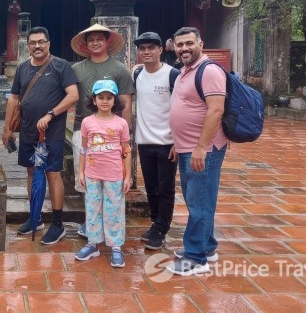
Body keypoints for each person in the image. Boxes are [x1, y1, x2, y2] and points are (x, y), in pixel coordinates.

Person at [2, 26, 78, 245]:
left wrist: (51, 113)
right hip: (28, 130)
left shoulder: (61, 66)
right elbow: (14, 98)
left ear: (48, 44)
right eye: (33, 43)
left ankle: (57, 223)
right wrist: (7, 128)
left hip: (51, 132)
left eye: (41, 42)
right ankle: (35, 217)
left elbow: (73, 96)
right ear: (28, 46)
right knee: (31, 172)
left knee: (52, 173)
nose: (37, 46)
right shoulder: (23, 68)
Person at [167, 26, 227, 276]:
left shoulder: (209, 71)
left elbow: (216, 110)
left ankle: (196, 257)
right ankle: (207, 246)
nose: (184, 49)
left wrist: (201, 147)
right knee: (198, 198)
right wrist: (177, 142)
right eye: (180, 44)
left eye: (189, 43)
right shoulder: (185, 71)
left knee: (199, 202)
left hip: (204, 149)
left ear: (200, 44)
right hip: (187, 147)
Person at [70, 23, 134, 238]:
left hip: (113, 134)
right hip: (83, 128)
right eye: (91, 39)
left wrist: (125, 136)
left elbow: (126, 103)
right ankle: (91, 222)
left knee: (113, 180)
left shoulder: (119, 69)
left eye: (99, 39)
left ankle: (112, 224)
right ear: (85, 44)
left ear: (107, 42)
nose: (95, 43)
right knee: (87, 178)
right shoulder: (77, 69)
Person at [74, 80, 132, 267]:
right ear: (94, 100)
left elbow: (126, 150)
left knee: (114, 209)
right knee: (92, 208)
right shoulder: (87, 122)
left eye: (109, 97)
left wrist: (128, 176)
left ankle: (116, 246)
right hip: (92, 174)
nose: (105, 101)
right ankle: (93, 243)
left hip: (114, 174)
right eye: (101, 97)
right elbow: (84, 149)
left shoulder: (121, 123)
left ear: (115, 100)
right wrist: (81, 172)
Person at [133, 31, 180, 251]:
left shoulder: (172, 75)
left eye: (151, 47)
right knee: (150, 186)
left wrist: (178, 141)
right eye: (142, 48)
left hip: (167, 143)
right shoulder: (137, 74)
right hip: (144, 141)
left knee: (165, 188)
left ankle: (161, 228)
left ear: (160, 50)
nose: (146, 52)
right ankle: (155, 223)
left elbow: (181, 110)